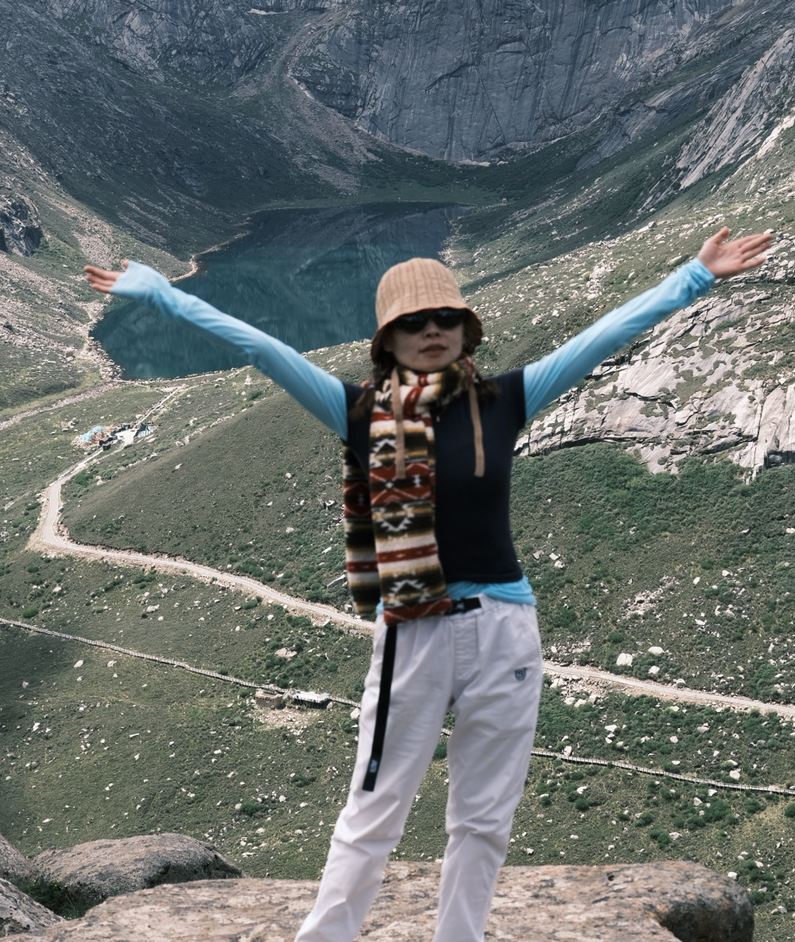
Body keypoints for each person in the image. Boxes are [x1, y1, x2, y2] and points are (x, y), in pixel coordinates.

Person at [84, 224, 770, 942]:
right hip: (413, 632)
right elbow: (264, 349)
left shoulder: (504, 400)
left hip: (506, 630)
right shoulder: (356, 411)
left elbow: (602, 336)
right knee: (374, 807)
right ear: (388, 340)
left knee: (484, 818)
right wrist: (161, 295)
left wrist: (695, 275)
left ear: (466, 330)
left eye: (446, 317)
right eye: (413, 322)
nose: (432, 330)